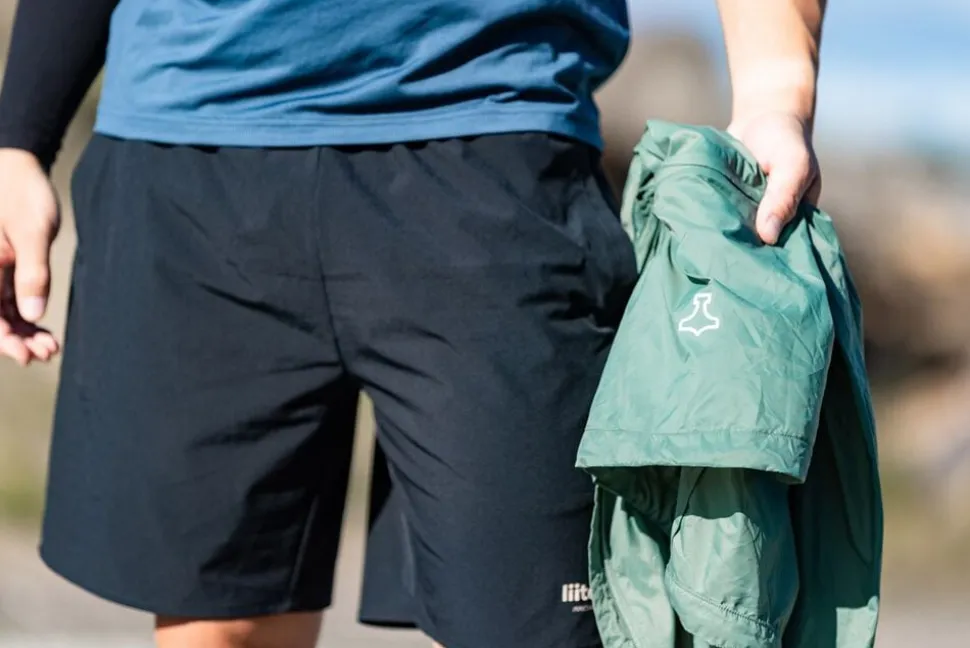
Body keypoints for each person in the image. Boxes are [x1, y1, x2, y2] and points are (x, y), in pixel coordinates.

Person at [0, 1, 826, 647]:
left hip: (494, 141)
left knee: (535, 626)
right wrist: (19, 139)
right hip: (187, 155)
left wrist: (774, 91)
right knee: (224, 625)